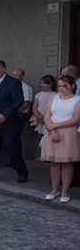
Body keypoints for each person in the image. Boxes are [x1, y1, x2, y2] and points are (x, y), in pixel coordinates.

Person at [40, 75, 80, 203]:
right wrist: (52, 130)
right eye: (60, 86)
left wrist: (55, 126)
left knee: (67, 163)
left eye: (65, 86)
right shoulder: (54, 98)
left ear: (72, 86)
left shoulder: (77, 100)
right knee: (54, 162)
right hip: (52, 132)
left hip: (68, 132)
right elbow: (47, 115)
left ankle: (65, 190)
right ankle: (54, 189)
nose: (62, 88)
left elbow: (75, 119)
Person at [31, 75, 57, 162]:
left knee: (47, 137)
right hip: (39, 119)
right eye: (41, 83)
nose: (43, 85)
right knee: (39, 137)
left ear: (51, 84)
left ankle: (48, 155)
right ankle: (41, 155)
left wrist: (44, 116)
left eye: (45, 83)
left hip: (49, 118)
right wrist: (38, 116)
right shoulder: (38, 95)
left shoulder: (55, 95)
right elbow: (34, 107)